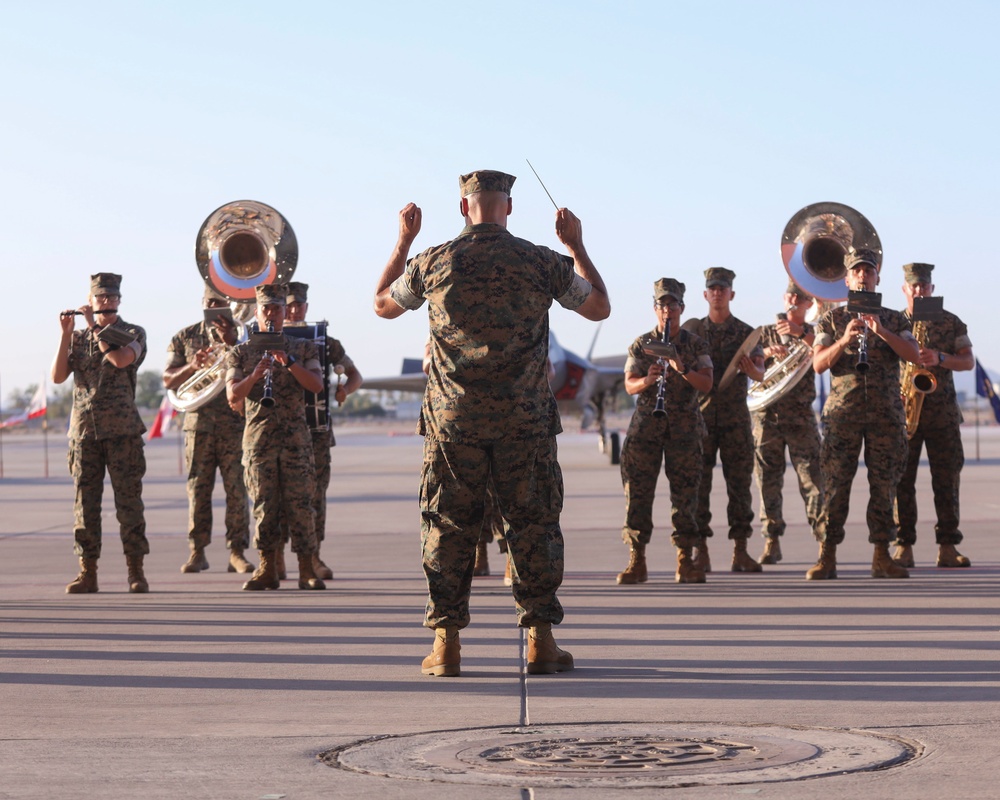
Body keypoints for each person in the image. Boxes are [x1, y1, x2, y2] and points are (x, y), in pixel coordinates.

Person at [374, 169, 610, 677]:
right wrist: (576, 245)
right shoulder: (540, 261)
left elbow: (381, 305)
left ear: (464, 207)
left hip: (452, 423)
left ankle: (446, 647)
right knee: (533, 526)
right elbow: (598, 307)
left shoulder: (432, 262)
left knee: (447, 528)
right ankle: (541, 642)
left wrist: (403, 241)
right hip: (523, 423)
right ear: (508, 207)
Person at [809, 250, 920, 580]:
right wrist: (845, 340)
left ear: (877, 278)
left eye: (868, 271)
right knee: (835, 486)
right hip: (843, 416)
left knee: (884, 486)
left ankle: (882, 555)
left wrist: (881, 330)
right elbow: (818, 364)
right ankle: (827, 555)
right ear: (847, 279)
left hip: (886, 415)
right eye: (856, 271)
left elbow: (914, 354)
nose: (862, 276)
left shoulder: (895, 318)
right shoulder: (832, 320)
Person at [52, 272, 150, 594]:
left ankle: (135, 572)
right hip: (84, 432)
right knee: (86, 506)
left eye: (111, 298)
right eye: (100, 298)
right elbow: (58, 377)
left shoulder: (132, 333)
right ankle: (87, 572)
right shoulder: (79, 339)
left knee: (129, 504)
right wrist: (66, 335)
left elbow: (120, 361)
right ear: (91, 300)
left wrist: (95, 326)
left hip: (122, 432)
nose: (106, 302)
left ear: (119, 300)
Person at [225, 284, 327, 591]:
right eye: (266, 308)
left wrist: (289, 363)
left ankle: (307, 569)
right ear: (256, 312)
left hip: (296, 440)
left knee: (301, 505)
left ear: (284, 312)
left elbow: (316, 385)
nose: (272, 314)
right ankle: (267, 567)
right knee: (264, 505)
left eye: (277, 308)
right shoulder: (240, 352)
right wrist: (255, 375)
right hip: (258, 441)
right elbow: (233, 395)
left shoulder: (303, 348)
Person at [617, 278, 713, 585]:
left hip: (684, 429)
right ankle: (637, 559)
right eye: (662, 305)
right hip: (646, 429)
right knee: (637, 495)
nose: (667, 311)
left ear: (682, 308)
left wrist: (681, 366)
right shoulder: (641, 343)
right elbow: (629, 384)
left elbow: (707, 384)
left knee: (686, 496)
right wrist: (648, 380)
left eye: (672, 305)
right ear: (655, 309)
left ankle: (685, 559)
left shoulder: (695, 344)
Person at [277, 281, 364, 581]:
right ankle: (274, 557)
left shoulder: (325, 341)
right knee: (273, 496)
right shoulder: (266, 340)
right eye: (288, 304)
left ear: (306, 307)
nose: (294, 309)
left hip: (315, 432)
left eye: (299, 304)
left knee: (314, 497)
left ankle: (313, 557)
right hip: (277, 430)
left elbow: (355, 375)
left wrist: (345, 391)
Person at [680, 268, 765, 573]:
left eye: (722, 288)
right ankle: (700, 551)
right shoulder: (691, 331)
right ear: (705, 295)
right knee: (698, 488)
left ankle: (740, 551)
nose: (717, 293)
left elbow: (760, 372)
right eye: (712, 288)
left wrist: (749, 370)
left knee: (740, 486)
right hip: (699, 420)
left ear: (732, 294)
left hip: (735, 421)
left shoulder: (747, 333)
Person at [163, 285, 252, 575]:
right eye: (211, 302)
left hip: (233, 424)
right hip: (198, 426)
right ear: (203, 302)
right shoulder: (185, 337)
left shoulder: (243, 335)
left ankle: (237, 552)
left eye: (221, 302)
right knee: (197, 489)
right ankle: (197, 552)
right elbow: (168, 379)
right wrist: (192, 366)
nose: (216, 306)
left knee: (237, 489)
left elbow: (254, 370)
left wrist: (232, 342)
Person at [894, 262, 974, 568]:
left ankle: (948, 547)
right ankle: (903, 546)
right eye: (913, 286)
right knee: (902, 482)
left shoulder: (950, 322)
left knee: (947, 480)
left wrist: (941, 358)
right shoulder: (893, 321)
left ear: (932, 289)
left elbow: (967, 362)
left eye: (924, 286)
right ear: (905, 289)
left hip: (943, 415)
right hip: (904, 414)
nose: (918, 290)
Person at [752, 281, 824, 565]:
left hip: (801, 417)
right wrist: (768, 354)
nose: (793, 299)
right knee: (767, 480)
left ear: (809, 304)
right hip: (767, 417)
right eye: (790, 294)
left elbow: (824, 353)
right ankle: (771, 541)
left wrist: (801, 333)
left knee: (813, 480)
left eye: (800, 296)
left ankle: (822, 539)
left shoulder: (816, 332)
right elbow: (748, 362)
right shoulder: (763, 333)